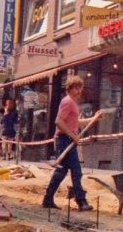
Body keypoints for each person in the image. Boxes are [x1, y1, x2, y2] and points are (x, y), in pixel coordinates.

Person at [42, 76, 102, 211]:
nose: (79, 91)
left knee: (62, 171)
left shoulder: (72, 103)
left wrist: (94, 118)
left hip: (68, 139)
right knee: (75, 170)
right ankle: (81, 201)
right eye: (76, 88)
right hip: (64, 139)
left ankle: (47, 199)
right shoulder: (67, 101)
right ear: (69, 88)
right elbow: (58, 121)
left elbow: (76, 123)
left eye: (80, 88)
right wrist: (72, 136)